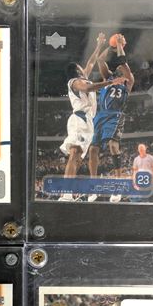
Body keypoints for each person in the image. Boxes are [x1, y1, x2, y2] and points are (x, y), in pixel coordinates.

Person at [58, 33, 127, 202]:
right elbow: (88, 89)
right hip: (80, 119)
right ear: (77, 70)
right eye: (80, 68)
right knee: (74, 153)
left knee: (77, 158)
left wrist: (100, 44)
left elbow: (91, 62)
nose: (84, 68)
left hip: (89, 122)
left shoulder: (83, 78)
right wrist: (110, 82)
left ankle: (68, 193)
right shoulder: (75, 81)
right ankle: (66, 193)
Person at [88, 34, 135, 203]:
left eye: (122, 69)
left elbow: (122, 62)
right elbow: (100, 60)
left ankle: (118, 186)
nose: (119, 70)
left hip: (116, 114)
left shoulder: (128, 81)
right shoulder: (108, 78)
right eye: (118, 69)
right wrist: (109, 46)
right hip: (101, 114)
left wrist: (119, 45)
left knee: (113, 146)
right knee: (93, 149)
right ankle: (93, 186)